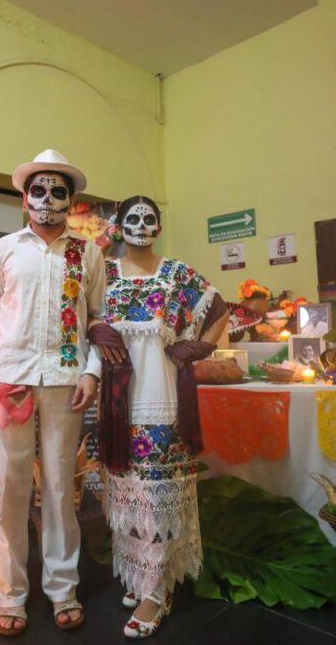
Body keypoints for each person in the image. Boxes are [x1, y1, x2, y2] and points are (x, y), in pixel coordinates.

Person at [0, 149, 124, 637]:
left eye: (57, 190)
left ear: (72, 199)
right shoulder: (5, 249)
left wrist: (90, 371)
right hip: (12, 381)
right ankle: (11, 595)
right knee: (8, 489)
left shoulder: (89, 253)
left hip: (67, 383)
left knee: (61, 489)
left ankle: (63, 588)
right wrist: (18, 348)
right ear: (24, 198)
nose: (47, 198)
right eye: (38, 190)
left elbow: (98, 320)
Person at [101, 196, 228, 639]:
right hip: (117, 403)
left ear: (158, 226)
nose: (140, 224)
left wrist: (200, 347)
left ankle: (156, 592)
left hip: (162, 398)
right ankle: (143, 579)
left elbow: (218, 309)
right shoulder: (106, 273)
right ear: (118, 226)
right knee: (126, 491)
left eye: (148, 218)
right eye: (131, 218)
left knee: (156, 494)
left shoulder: (176, 274)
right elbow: (82, 322)